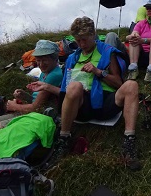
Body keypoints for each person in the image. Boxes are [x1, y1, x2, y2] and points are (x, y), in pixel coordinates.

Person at [54, 16, 141, 170]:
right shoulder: (73, 57)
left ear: (93, 34)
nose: (81, 44)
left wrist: (98, 72)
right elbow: (65, 88)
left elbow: (118, 83)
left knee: (131, 85)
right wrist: (78, 90)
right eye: (78, 40)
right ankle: (64, 138)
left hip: (105, 102)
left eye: (84, 40)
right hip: (82, 105)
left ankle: (129, 141)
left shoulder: (106, 52)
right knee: (74, 87)